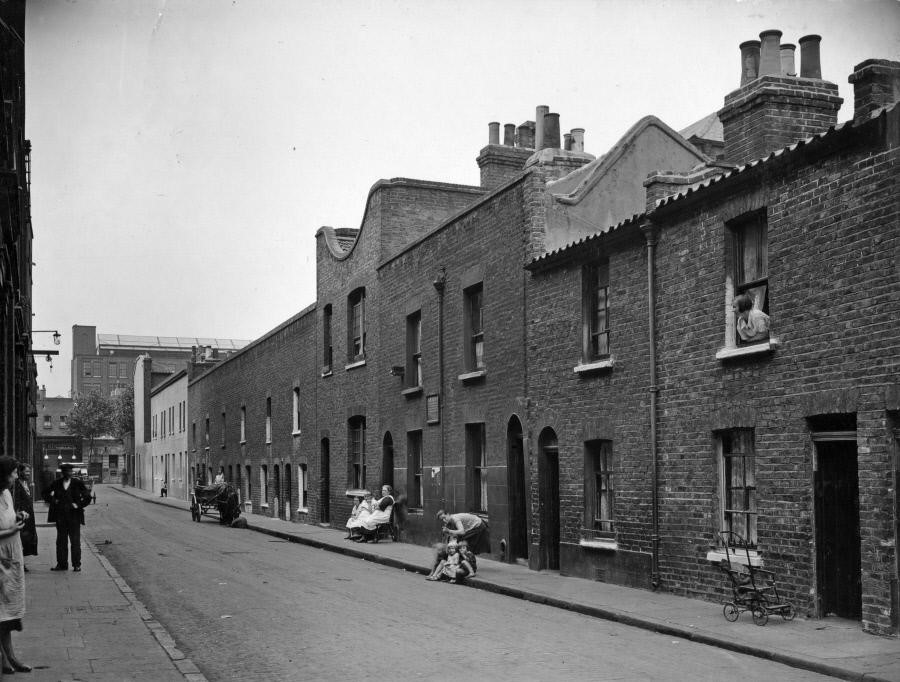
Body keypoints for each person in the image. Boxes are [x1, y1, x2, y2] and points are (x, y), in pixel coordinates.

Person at [0, 456, 30, 673]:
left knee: (8, 613)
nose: (15, 476)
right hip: (1, 558)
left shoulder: (7, 494)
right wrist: (10, 530)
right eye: (12, 473)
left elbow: (7, 517)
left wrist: (18, 516)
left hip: (11, 557)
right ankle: (5, 657)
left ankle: (9, 656)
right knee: (1, 611)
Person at [43, 462, 92, 572]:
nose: (68, 473)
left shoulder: (77, 483)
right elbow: (45, 493)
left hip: (74, 517)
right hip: (60, 518)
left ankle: (76, 564)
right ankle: (62, 564)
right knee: (61, 541)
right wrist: (54, 501)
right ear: (62, 473)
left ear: (72, 472)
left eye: (70, 471)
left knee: (75, 541)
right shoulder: (57, 483)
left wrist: (78, 505)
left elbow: (88, 497)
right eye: (66, 472)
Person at [12, 464, 36, 571]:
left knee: (25, 540)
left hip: (28, 517)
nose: (28, 474)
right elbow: (16, 501)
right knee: (20, 540)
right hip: (20, 516)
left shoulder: (26, 483)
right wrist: (17, 513)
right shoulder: (16, 485)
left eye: (29, 472)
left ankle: (21, 562)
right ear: (20, 472)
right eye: (26, 471)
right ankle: (20, 564)